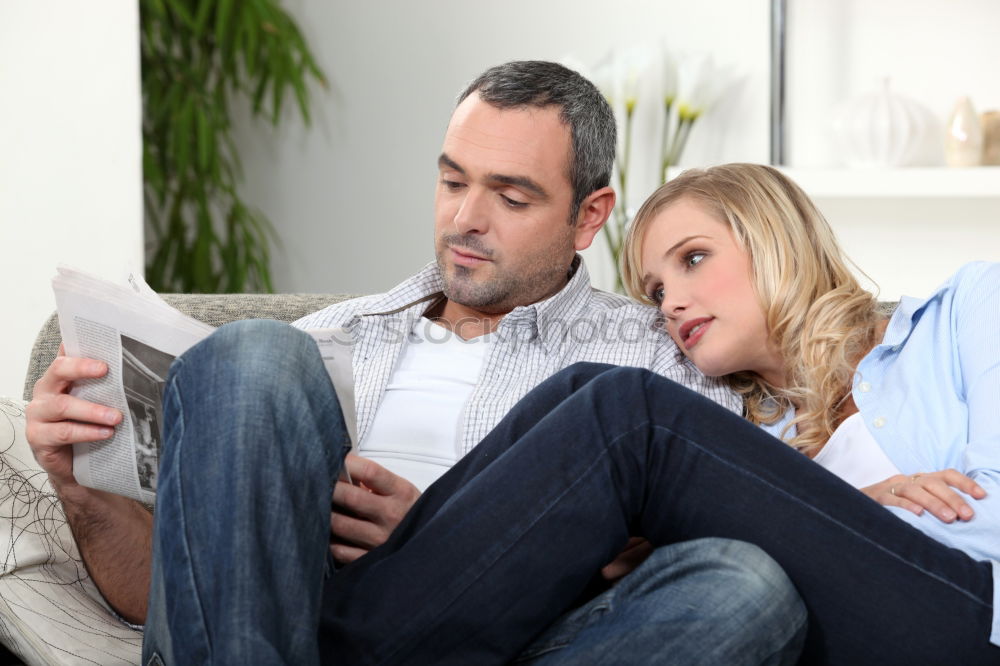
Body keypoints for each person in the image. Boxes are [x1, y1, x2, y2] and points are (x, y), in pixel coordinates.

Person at [25, 64, 805, 664]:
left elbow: (674, 562)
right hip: (288, 638)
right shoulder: (312, 349)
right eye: (452, 180)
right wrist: (78, 484)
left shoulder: (659, 361)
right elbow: (189, 596)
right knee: (255, 354)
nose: (466, 219)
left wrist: (455, 543)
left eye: (511, 196)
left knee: (745, 585)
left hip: (530, 644)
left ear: (588, 216)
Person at [290, 161, 998, 663]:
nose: (671, 304)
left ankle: (327, 643)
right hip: (848, 638)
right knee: (579, 394)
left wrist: (856, 515)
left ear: (774, 237)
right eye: (656, 289)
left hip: (976, 616)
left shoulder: (967, 309)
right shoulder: (746, 437)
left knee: (625, 409)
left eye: (693, 259)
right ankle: (415, 564)